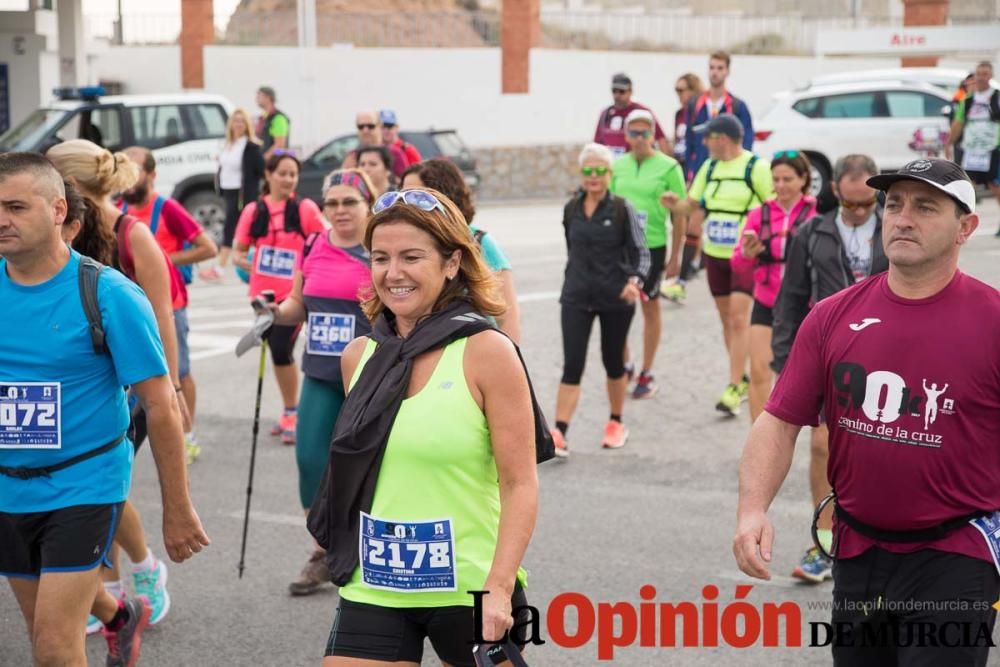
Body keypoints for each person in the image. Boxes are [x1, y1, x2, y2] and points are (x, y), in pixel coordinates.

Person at [735, 158, 999, 667]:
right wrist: (751, 509)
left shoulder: (991, 321)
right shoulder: (833, 315)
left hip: (956, 556)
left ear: (966, 226)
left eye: (925, 207)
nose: (903, 218)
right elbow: (779, 420)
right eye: (894, 204)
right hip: (856, 552)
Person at [309, 187, 539, 667]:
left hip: (471, 587)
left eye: (412, 257)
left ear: (452, 263)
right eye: (380, 258)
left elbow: (520, 484)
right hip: (376, 583)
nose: (394, 273)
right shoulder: (359, 358)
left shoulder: (486, 352)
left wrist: (499, 587)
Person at [0, 151, 209, 667]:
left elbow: (159, 405)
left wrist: (178, 509)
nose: (1, 219)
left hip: (84, 484)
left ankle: (116, 615)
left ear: (56, 210)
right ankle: (121, 615)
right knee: (40, 630)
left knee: (53, 644)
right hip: (8, 487)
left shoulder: (108, 293)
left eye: (15, 206)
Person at [48, 139, 190, 632]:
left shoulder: (134, 235)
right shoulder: (53, 234)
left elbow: (162, 314)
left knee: (105, 486)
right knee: (92, 485)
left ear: (73, 187)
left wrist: (169, 391)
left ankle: (142, 568)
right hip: (77, 385)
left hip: (131, 388)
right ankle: (107, 583)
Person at [770, 154, 887, 584]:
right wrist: (784, 362)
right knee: (822, 448)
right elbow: (791, 298)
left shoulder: (894, 228)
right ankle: (825, 541)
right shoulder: (811, 232)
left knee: (883, 449)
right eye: (852, 204)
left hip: (888, 359)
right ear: (835, 190)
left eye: (868, 203)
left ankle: (880, 540)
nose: (860, 212)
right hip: (830, 357)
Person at [266, 169, 375, 596]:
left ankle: (365, 553)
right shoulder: (314, 244)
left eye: (350, 201)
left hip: (371, 379)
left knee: (369, 470)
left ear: (367, 203)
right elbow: (299, 304)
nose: (340, 210)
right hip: (321, 374)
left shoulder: (380, 249)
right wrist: (273, 311)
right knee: (311, 462)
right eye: (332, 203)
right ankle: (325, 550)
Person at [550, 143, 650, 456]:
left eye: (599, 171)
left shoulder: (622, 208)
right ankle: (559, 433)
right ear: (581, 174)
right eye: (588, 171)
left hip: (615, 298)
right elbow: (571, 247)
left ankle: (616, 421)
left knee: (613, 361)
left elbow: (641, 252)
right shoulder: (571, 208)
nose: (593, 177)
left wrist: (633, 282)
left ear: (609, 174)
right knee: (572, 364)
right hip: (576, 296)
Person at [120, 146, 219, 462]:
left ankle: (186, 435)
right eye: (124, 169)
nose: (130, 177)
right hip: (129, 306)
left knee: (180, 372)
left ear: (151, 175)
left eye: (136, 170)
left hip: (169, 304)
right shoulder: (115, 209)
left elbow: (208, 248)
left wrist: (160, 261)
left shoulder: (168, 208)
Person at [676, 114, 774, 417]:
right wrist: (671, 204)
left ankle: (734, 386)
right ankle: (741, 376)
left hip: (745, 257)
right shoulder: (710, 166)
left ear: (724, 138)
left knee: (737, 319)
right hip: (715, 254)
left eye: (708, 137)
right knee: (726, 320)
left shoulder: (756, 167)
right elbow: (690, 205)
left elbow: (775, 206)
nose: (704, 142)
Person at [233, 153, 328, 444]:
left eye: (293, 174)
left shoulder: (305, 209)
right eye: (283, 173)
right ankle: (290, 409)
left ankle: (292, 412)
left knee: (280, 349)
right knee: (274, 352)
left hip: (293, 296)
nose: (289, 179)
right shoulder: (253, 210)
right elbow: (237, 252)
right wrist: (251, 263)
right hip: (262, 296)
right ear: (269, 175)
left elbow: (326, 243)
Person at [731, 151, 817, 423]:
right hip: (767, 302)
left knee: (805, 378)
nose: (780, 186)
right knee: (758, 372)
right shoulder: (759, 214)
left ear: (804, 180)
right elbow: (739, 266)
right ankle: (759, 437)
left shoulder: (818, 212)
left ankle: (816, 437)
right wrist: (748, 253)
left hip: (806, 306)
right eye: (776, 179)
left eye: (788, 179)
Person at [401, 157, 522, 343]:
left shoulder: (480, 243)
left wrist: (506, 363)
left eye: (415, 197)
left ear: (443, 197)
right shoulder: (401, 245)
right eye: (401, 196)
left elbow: (507, 318)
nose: (404, 205)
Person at [610, 109, 687, 399]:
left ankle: (647, 370)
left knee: (649, 307)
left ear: (653, 135)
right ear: (626, 136)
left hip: (653, 246)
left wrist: (676, 258)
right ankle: (626, 363)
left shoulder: (669, 168)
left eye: (644, 133)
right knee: (619, 306)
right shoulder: (617, 166)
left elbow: (680, 215)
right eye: (633, 133)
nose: (639, 139)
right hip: (621, 249)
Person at [201, 108, 265, 281]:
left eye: (242, 121)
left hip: (242, 193)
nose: (238, 124)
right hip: (228, 190)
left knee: (232, 228)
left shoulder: (250, 146)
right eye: (235, 121)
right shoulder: (228, 145)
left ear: (247, 125)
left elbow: (262, 170)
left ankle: (220, 267)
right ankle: (250, 262)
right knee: (240, 229)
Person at [662, 73, 705, 304]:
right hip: (681, 167)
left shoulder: (701, 110)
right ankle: (693, 264)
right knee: (684, 222)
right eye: (677, 91)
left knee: (692, 223)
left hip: (695, 172)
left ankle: (682, 277)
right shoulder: (680, 114)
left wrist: (693, 174)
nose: (680, 95)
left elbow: (698, 146)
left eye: (683, 90)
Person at [684, 51, 754, 184]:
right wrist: (689, 173)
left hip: (728, 173)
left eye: (720, 68)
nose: (715, 72)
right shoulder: (695, 104)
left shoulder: (737, 106)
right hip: (700, 171)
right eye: (711, 67)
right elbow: (689, 141)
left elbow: (746, 142)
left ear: (727, 71)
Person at [949, 61, 1000, 235]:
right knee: (965, 186)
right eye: (979, 74)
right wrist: (949, 142)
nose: (981, 78)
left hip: (993, 149)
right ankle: (960, 225)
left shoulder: (997, 97)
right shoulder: (968, 100)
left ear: (991, 76)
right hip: (971, 149)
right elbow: (958, 122)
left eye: (985, 74)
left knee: (996, 187)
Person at [594, 73, 669, 159]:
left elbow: (660, 139)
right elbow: (596, 144)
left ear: (630, 92)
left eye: (622, 92)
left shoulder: (641, 112)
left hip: (636, 162)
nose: (617, 95)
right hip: (610, 166)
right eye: (614, 91)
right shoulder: (605, 114)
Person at [341, 110, 409, 179]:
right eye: (361, 126)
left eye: (371, 126)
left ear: (380, 126)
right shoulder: (352, 156)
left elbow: (404, 184)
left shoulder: (394, 153)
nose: (365, 130)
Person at [255, 85, 291, 159]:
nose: (256, 99)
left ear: (268, 98)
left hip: (274, 164)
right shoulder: (263, 118)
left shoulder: (278, 118)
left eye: (259, 96)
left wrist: (263, 160)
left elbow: (279, 146)